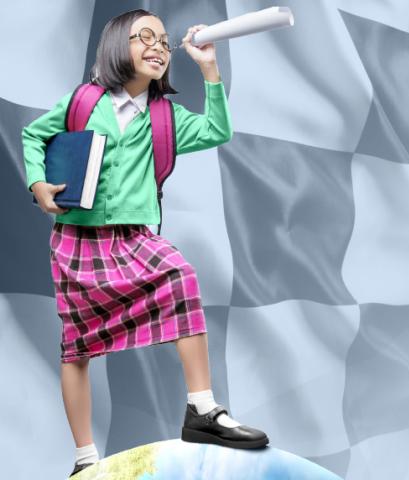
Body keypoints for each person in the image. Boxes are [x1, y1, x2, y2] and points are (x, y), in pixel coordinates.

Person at [21, 8, 269, 478]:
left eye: (162, 40)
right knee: (76, 346)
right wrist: (38, 183)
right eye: (144, 37)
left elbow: (219, 130)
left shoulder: (166, 117)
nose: (158, 46)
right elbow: (34, 136)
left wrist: (209, 68)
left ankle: (202, 409)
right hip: (75, 242)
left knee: (180, 277)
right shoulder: (82, 101)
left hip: (135, 238)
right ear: (117, 46)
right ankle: (84, 459)